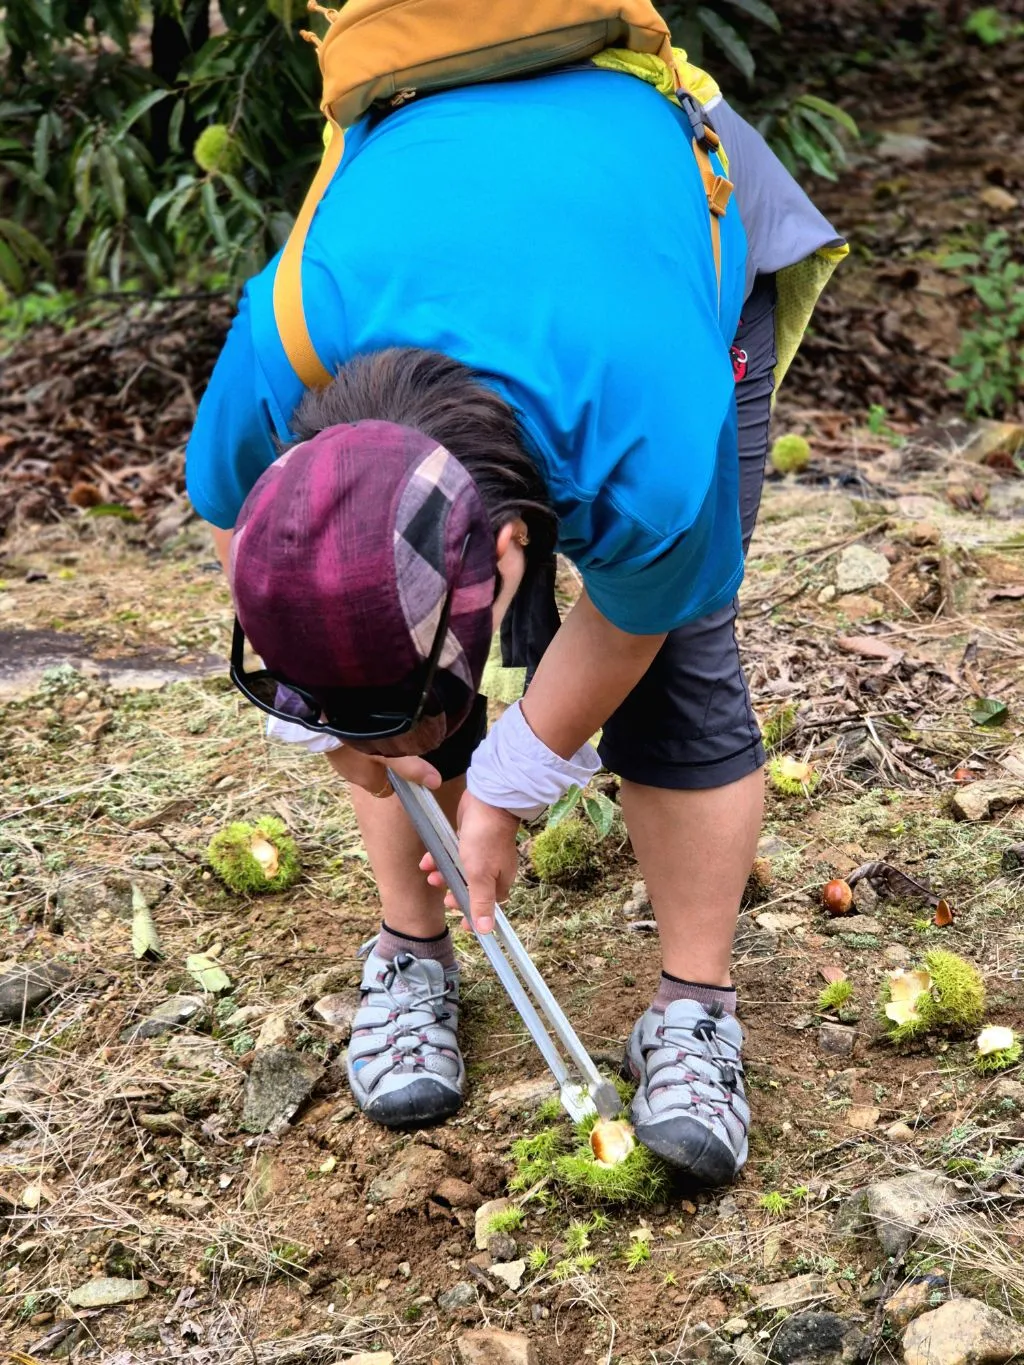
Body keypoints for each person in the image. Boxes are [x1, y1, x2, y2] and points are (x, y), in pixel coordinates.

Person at [186, 54, 844, 1186]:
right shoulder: (283, 349)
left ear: (507, 549)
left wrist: (508, 781)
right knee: (380, 650)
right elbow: (235, 525)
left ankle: (694, 1006)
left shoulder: (644, 443)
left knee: (680, 657)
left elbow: (635, 623)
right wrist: (330, 704)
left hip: (668, 233)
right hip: (468, 213)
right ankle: (411, 948)